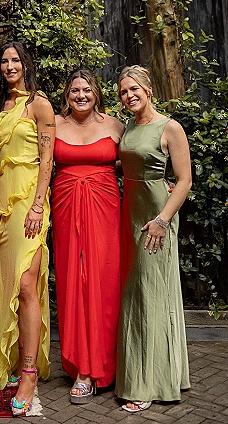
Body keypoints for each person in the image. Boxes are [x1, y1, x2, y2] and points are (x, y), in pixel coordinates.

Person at [0, 41, 55, 418]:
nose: (9, 66)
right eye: (4, 61)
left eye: (15, 60)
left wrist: (39, 204)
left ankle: (28, 373)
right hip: (2, 205)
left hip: (30, 202)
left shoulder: (39, 104)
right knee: (6, 282)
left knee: (27, 284)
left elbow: (48, 158)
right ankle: (8, 361)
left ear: (26, 64)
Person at [116, 65, 192, 413]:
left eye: (133, 89)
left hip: (155, 218)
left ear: (148, 89)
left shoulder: (170, 127)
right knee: (136, 293)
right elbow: (126, 164)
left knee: (151, 291)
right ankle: (157, 373)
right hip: (128, 212)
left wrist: (162, 219)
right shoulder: (130, 126)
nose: (128, 95)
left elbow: (185, 180)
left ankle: (149, 383)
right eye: (122, 92)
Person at [53, 70, 123, 403]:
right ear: (66, 94)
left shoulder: (115, 125)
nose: (81, 96)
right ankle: (81, 366)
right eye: (75, 91)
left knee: (104, 281)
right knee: (71, 282)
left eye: (87, 90)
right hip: (66, 204)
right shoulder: (53, 124)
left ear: (96, 93)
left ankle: (105, 364)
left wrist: (157, 184)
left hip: (105, 206)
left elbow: (136, 158)